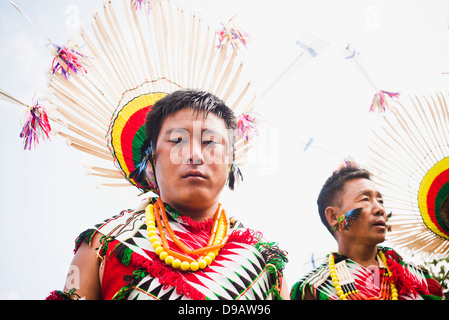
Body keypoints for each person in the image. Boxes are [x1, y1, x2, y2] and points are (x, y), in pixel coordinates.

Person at [46, 90, 288, 300]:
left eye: (210, 142)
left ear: (230, 161)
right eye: (177, 140)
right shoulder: (104, 244)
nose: (194, 155)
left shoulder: (263, 259)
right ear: (151, 160)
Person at [290, 162, 443, 300]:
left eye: (381, 201)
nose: (380, 209)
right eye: (365, 199)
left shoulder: (416, 278)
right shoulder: (316, 289)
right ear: (334, 216)